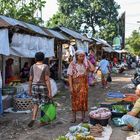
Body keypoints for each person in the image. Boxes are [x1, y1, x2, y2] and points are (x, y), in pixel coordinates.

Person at [67, 50, 94, 123]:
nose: (82, 58)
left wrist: (88, 61)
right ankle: (74, 117)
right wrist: (71, 87)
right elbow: (69, 76)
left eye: (83, 56)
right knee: (74, 100)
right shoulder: (72, 64)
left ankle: (83, 117)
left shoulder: (85, 64)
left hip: (84, 85)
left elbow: (92, 69)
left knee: (83, 100)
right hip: (75, 85)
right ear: (76, 57)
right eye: (80, 56)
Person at [28, 52, 52, 127]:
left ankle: (33, 118)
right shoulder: (45, 66)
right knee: (44, 104)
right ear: (43, 58)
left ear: (35, 58)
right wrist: (50, 91)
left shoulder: (32, 66)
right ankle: (43, 121)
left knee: (36, 103)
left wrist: (29, 89)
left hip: (34, 86)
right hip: (43, 87)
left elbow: (30, 79)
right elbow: (47, 79)